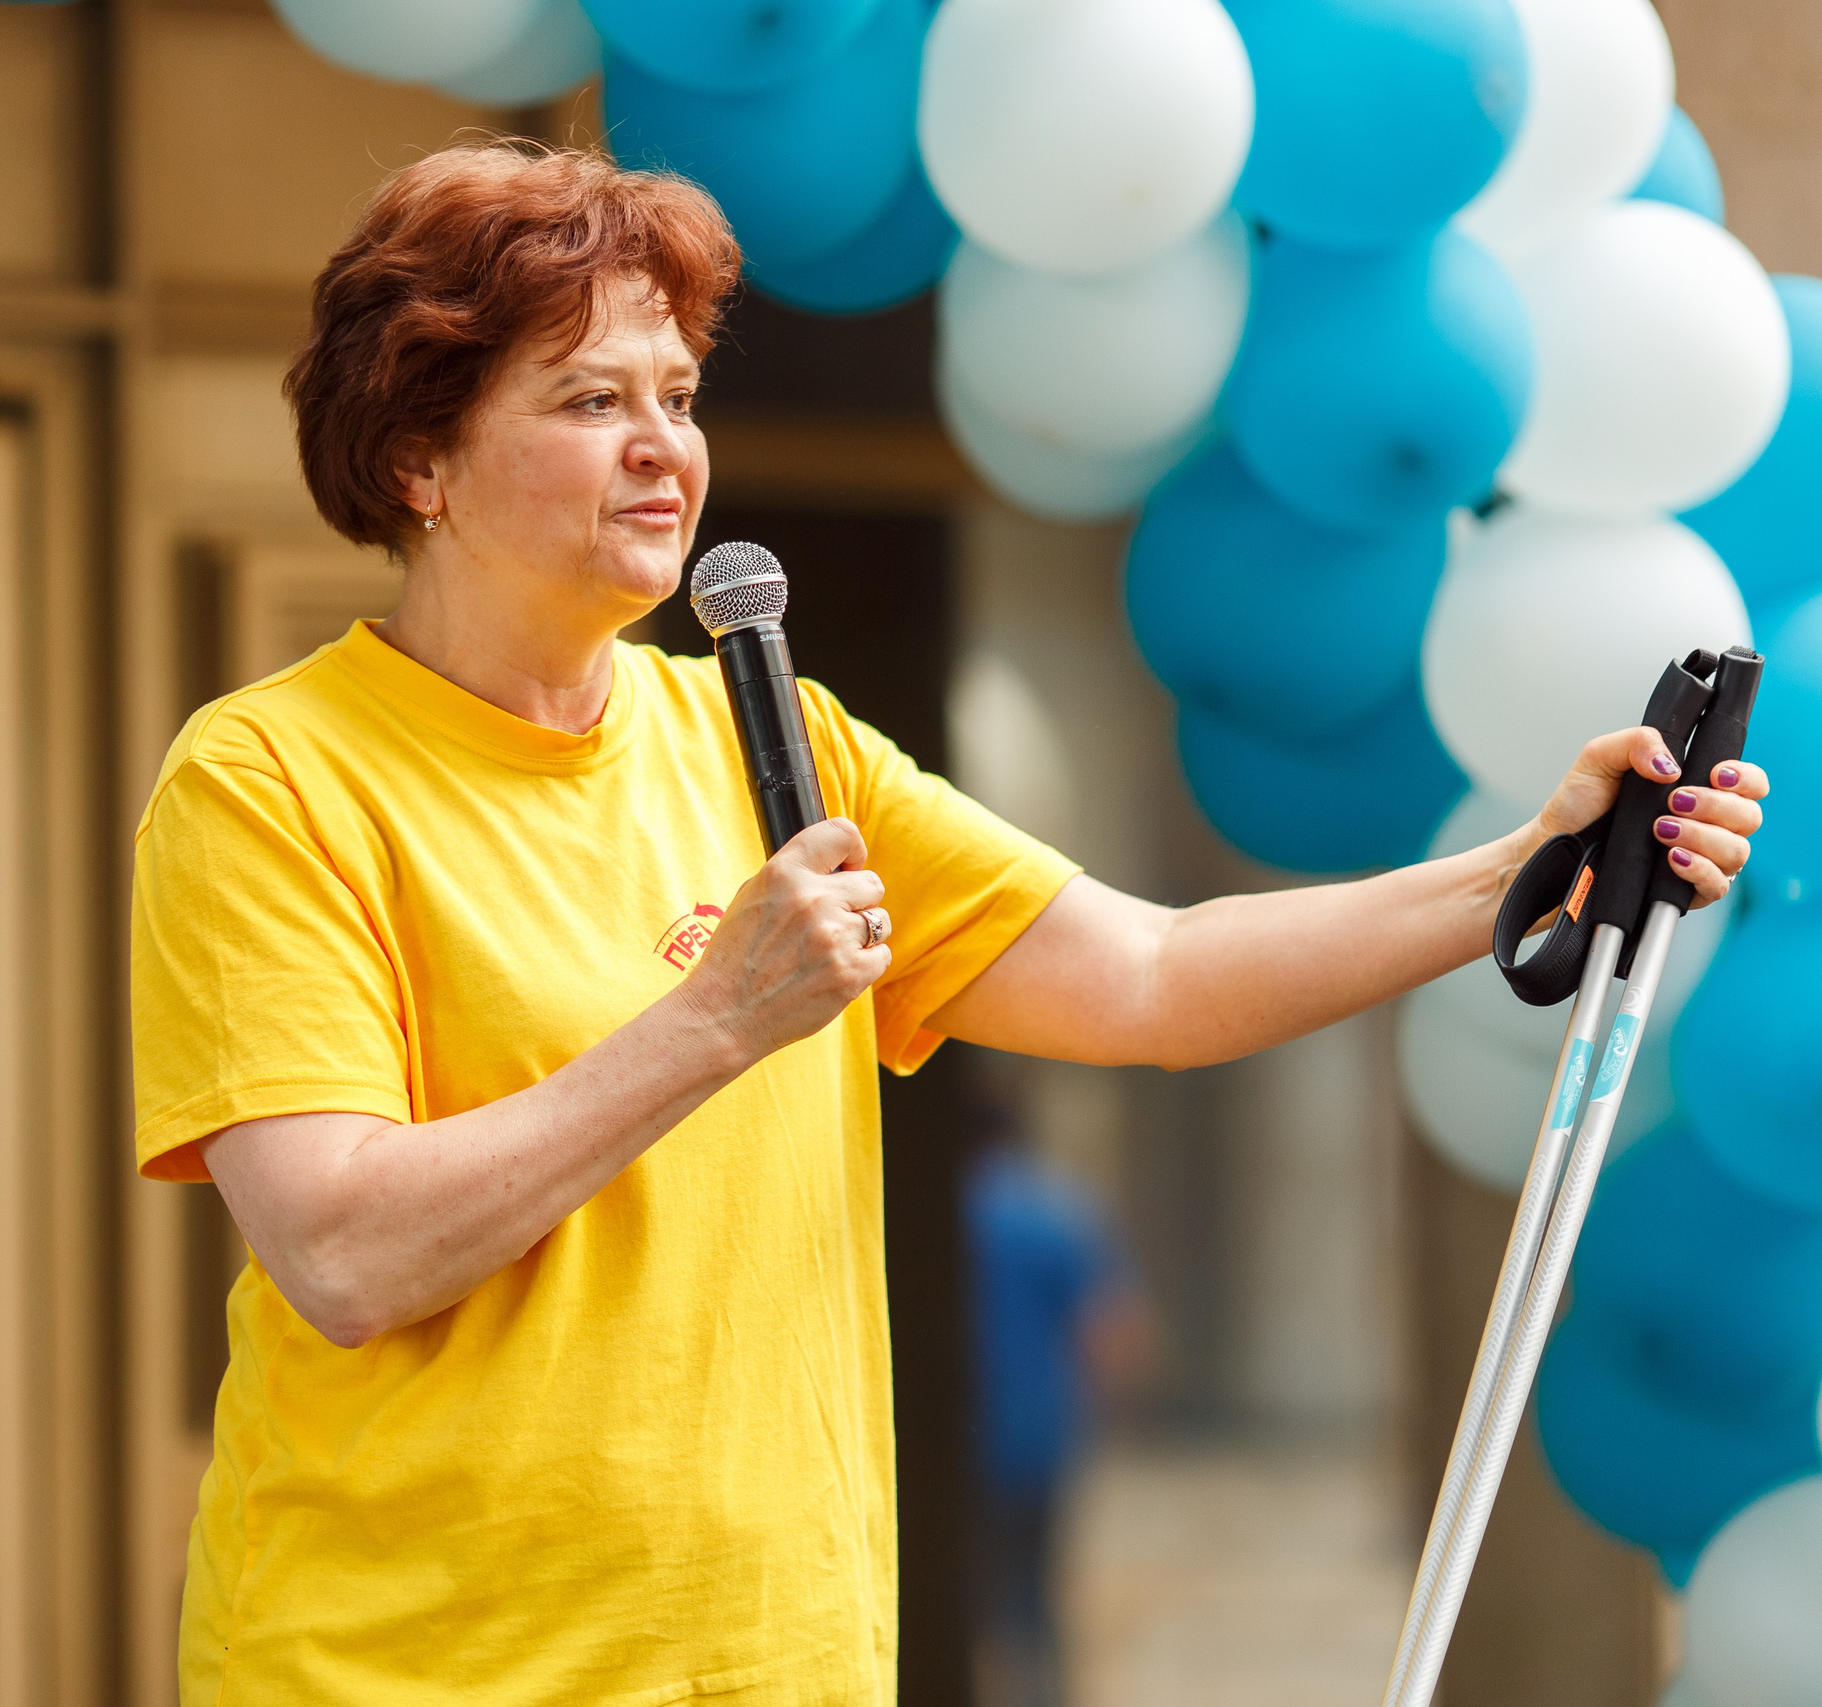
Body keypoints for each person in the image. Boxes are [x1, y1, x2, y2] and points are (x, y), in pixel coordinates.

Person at [127, 141, 1767, 1705]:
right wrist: (714, 1020)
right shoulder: (274, 779)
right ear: (417, 458)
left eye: (680, 396)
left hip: (781, 1662)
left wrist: (1525, 867)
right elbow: (341, 1251)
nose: (664, 444)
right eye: (589, 398)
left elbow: (1156, 977)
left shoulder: (780, 746)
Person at [963, 1111, 1153, 1707]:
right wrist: (1107, 1413)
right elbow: (1113, 1330)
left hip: (949, 1444)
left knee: (962, 1594)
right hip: (1037, 1437)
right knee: (1035, 1590)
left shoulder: (935, 1211)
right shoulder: (1056, 1212)